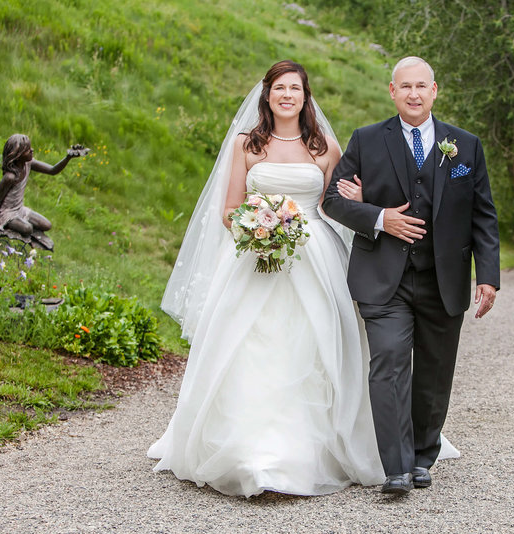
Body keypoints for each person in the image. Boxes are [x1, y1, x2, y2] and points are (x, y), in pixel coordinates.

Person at [149, 61, 389, 497]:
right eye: (280, 88)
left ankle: (313, 449)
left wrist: (358, 199)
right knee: (250, 344)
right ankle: (247, 449)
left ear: (305, 95)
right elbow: (228, 209)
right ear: (267, 95)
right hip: (255, 256)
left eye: (295, 88)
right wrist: (257, 226)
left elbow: (334, 205)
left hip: (315, 257)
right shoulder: (247, 144)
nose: (287, 95)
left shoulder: (325, 148)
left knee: (314, 343)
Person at [322, 56, 500, 494]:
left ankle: (423, 456)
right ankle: (396, 468)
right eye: (406, 87)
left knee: (435, 374)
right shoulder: (366, 141)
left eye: (422, 86)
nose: (414, 94)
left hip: (445, 278)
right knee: (387, 365)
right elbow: (333, 200)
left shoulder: (465, 146)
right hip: (384, 278)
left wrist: (489, 275)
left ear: (434, 90)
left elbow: (483, 216)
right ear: (392, 91)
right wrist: (380, 217)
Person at [0, 134, 86, 235]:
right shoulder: (10, 177)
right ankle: (10, 224)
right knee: (27, 229)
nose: (32, 150)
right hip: (6, 213)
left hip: (19, 209)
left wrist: (68, 157)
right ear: (18, 155)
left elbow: (52, 170)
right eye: (27, 149)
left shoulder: (28, 164)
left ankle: (21, 223)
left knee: (47, 225)